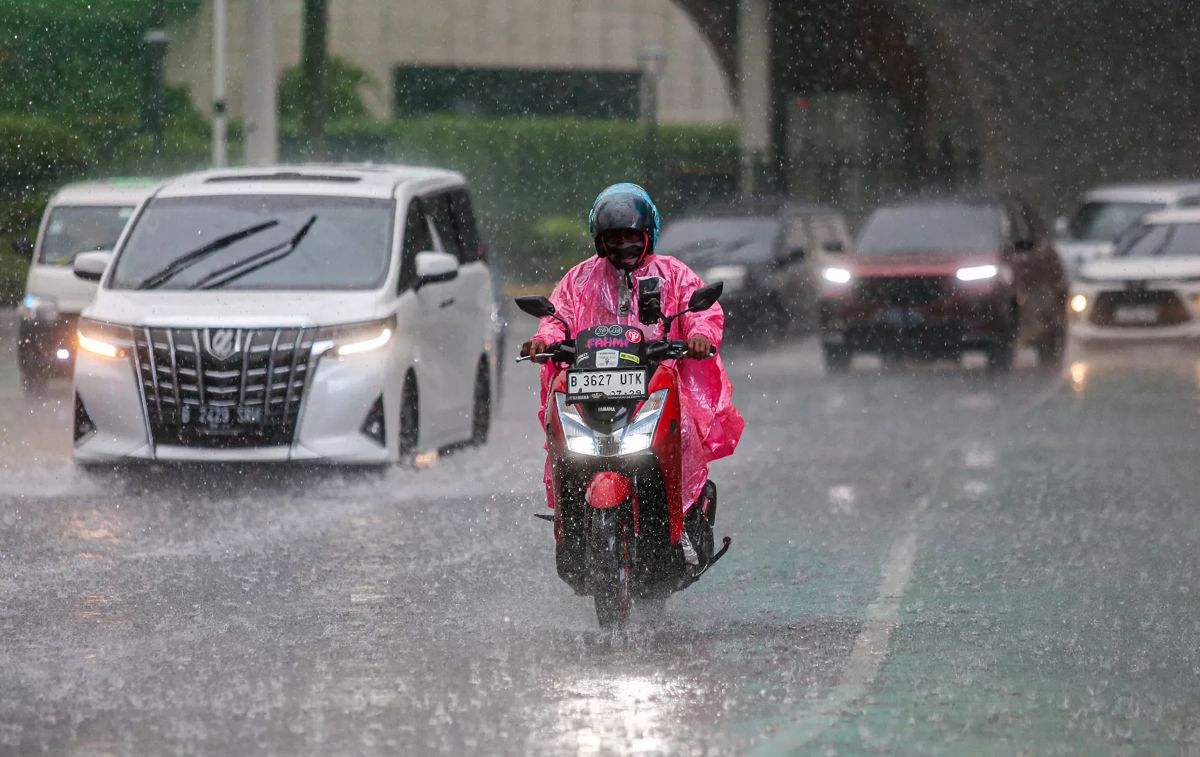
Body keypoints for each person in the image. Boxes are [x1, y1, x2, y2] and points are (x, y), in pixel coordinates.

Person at [523, 183, 745, 564]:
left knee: (683, 433)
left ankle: (683, 517)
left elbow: (701, 313)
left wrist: (699, 336)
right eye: (614, 238)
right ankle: (571, 527)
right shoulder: (578, 279)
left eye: (630, 237)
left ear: (648, 235)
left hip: (653, 387)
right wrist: (544, 341)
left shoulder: (673, 274)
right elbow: (556, 319)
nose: (622, 245)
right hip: (592, 391)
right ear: (600, 240)